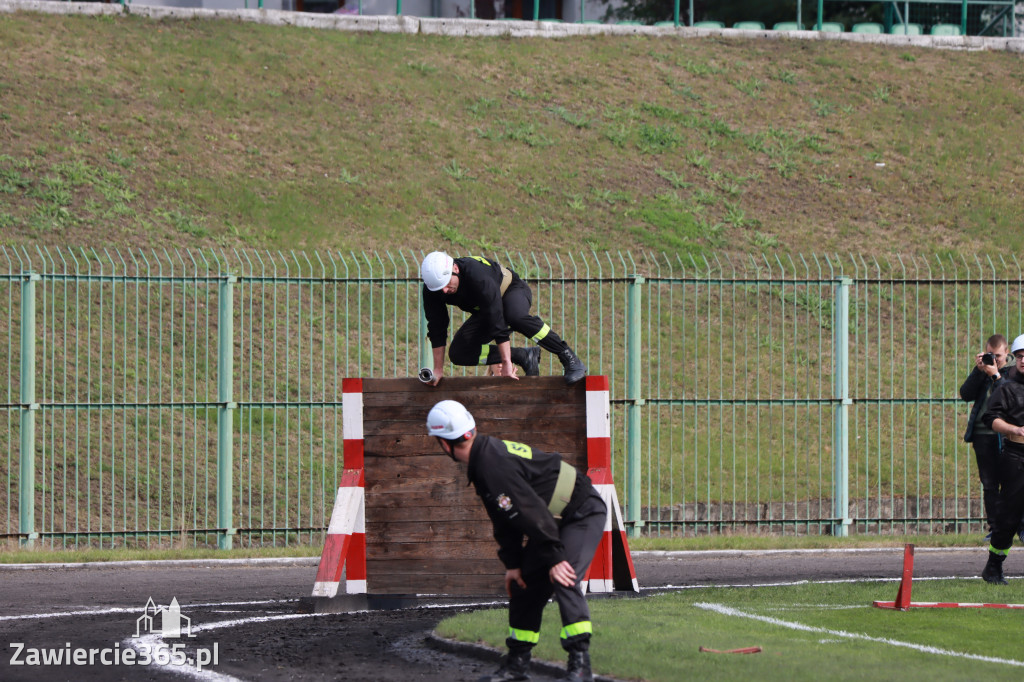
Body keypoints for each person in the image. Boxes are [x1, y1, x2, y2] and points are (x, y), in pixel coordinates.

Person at [426, 399, 606, 682]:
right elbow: (505, 520)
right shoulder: (483, 459)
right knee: (524, 587)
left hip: (580, 511)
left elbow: (528, 510)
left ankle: (580, 666)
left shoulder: (490, 463)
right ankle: (517, 665)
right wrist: (513, 563)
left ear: (443, 442)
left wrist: (555, 556)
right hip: (551, 519)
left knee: (564, 576)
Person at [419, 252, 587, 386]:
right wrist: (438, 370)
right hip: (486, 308)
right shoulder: (433, 290)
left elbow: (496, 318)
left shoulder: (476, 274)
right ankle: (523, 356)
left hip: (510, 290)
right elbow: (437, 328)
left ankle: (569, 357)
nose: (445, 291)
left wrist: (506, 363)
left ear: (455, 268)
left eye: (447, 284)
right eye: (440, 288)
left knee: (515, 317)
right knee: (459, 353)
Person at [979, 334, 1024, 584]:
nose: (1023, 360)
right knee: (1008, 517)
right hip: (1016, 455)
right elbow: (990, 418)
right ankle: (993, 567)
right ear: (1014, 358)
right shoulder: (1006, 385)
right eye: (1020, 356)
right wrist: (1013, 430)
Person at [959, 334, 1011, 536]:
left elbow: (1008, 394)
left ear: (1006, 353)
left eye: (998, 355)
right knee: (989, 484)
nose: (994, 360)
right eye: (991, 355)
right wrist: (979, 371)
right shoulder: (983, 371)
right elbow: (965, 394)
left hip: (1007, 433)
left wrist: (996, 374)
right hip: (983, 434)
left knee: (1013, 482)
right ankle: (995, 529)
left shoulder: (1013, 372)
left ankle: (1019, 526)